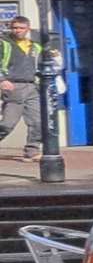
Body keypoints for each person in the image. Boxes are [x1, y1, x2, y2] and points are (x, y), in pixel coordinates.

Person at [0, 16, 45, 161]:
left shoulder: (35, 46)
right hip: (13, 86)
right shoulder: (4, 43)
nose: (17, 30)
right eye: (15, 28)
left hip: (32, 86)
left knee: (37, 121)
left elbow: (41, 65)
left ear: (27, 29)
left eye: (21, 28)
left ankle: (32, 150)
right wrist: (2, 80)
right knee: (8, 123)